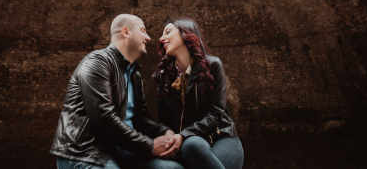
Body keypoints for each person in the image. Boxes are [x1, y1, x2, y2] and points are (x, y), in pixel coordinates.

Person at [51, 13, 185, 169]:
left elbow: (141, 118)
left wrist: (166, 132)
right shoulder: (96, 62)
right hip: (86, 151)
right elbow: (104, 118)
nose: (148, 38)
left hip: (123, 148)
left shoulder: (134, 74)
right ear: (126, 32)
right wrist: (151, 146)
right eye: (143, 30)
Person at [153, 18, 244, 169]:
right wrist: (169, 134)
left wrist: (184, 135)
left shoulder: (212, 65)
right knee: (188, 147)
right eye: (162, 35)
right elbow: (164, 120)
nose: (162, 38)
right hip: (185, 146)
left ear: (186, 34)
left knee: (192, 143)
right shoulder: (164, 76)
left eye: (168, 32)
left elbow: (216, 113)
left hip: (220, 137)